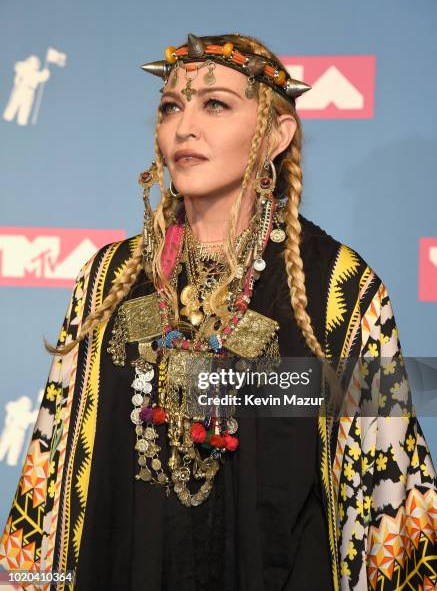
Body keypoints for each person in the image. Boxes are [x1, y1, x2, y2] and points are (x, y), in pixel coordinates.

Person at [0, 33, 436, 591]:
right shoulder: (109, 279)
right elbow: (50, 488)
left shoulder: (338, 290)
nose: (186, 126)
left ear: (276, 135)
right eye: (171, 107)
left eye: (215, 104)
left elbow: (389, 503)